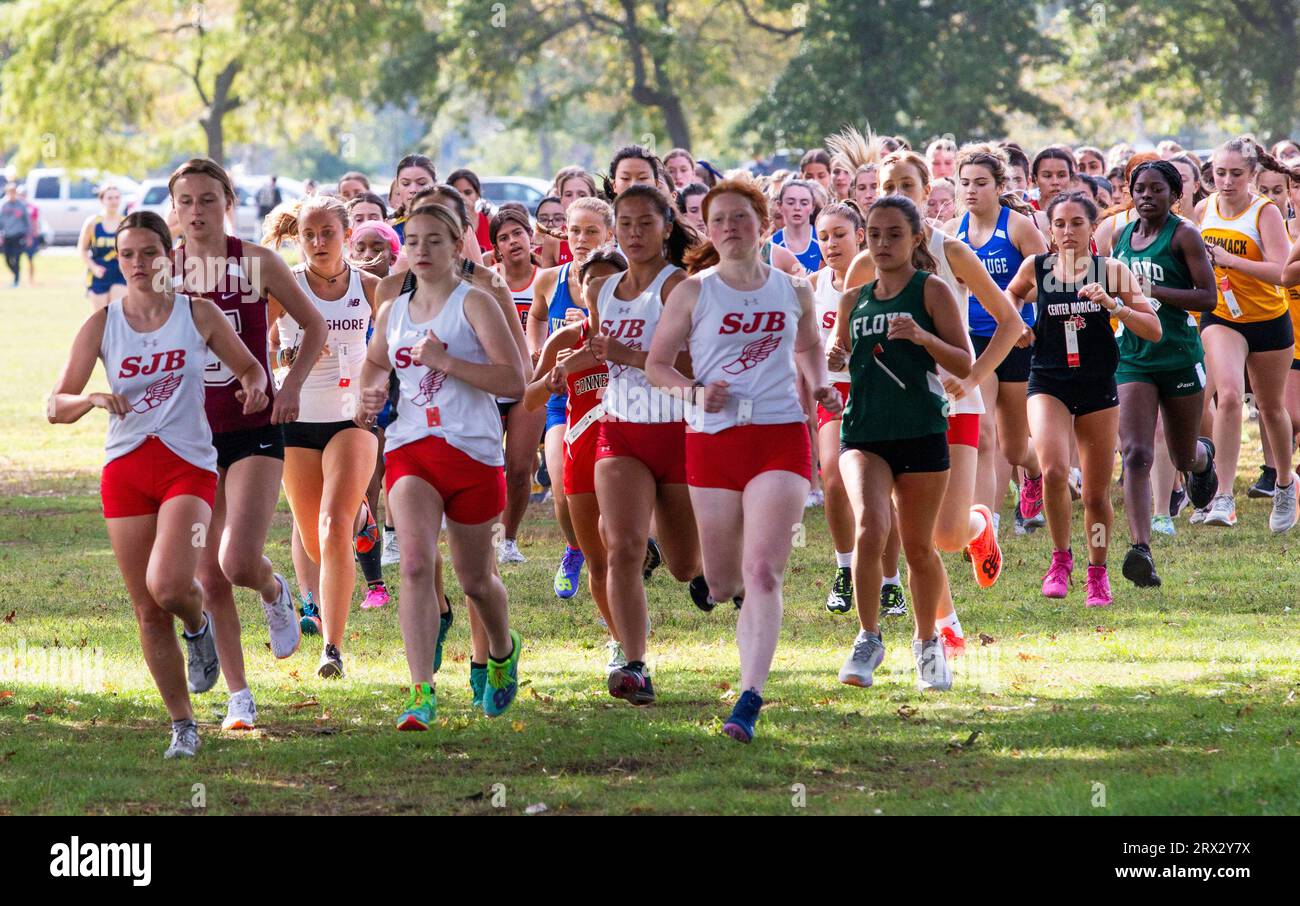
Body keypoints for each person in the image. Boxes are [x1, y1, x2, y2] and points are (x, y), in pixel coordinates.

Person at [48, 210, 270, 757]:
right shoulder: (103, 324)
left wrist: (255, 387)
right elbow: (56, 405)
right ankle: (184, 725)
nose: (140, 264)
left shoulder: (197, 314)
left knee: (170, 586)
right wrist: (92, 398)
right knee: (147, 609)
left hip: (188, 466)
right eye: (128, 255)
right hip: (125, 470)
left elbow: (251, 369)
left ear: (168, 255)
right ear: (117, 259)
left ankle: (198, 627)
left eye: (150, 253)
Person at [646, 178, 842, 743]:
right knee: (727, 577)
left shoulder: (794, 290)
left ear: (764, 223)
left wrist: (821, 387)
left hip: (779, 436)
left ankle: (749, 696)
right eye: (719, 220)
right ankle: (713, 583)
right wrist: (692, 391)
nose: (730, 228)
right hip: (712, 441)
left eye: (741, 217)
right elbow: (658, 364)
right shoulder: (693, 291)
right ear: (708, 231)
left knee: (762, 573)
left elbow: (807, 346)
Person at [356, 202, 525, 729]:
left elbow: (514, 381)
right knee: (412, 565)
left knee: (476, 581)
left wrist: (447, 362)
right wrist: (370, 392)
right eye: (414, 241)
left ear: (458, 247)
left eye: (435, 241)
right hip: (411, 447)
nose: (422, 251)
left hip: (472, 450)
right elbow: (376, 361)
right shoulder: (395, 310)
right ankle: (421, 692)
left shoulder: (475, 303)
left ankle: (501, 649)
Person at [169, 158, 324, 730]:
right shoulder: (167, 272)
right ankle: (240, 696)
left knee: (237, 561)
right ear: (175, 210)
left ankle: (275, 587)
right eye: (186, 202)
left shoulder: (255, 263)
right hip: (193, 439)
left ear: (227, 202)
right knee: (206, 575)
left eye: (208, 199)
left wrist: (291, 387)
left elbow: (314, 325)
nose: (197, 212)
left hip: (256, 430)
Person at [829, 194, 973, 694]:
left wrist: (922, 338)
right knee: (870, 527)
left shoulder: (931, 291)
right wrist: (833, 357)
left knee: (918, 547)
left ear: (916, 240)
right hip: (864, 433)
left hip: (922, 431)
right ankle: (868, 637)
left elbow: (963, 363)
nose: (883, 243)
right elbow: (840, 360)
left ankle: (926, 642)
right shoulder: (853, 299)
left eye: (895, 234)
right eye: (874, 234)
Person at [1006, 192, 1162, 606]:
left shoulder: (1110, 270)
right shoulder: (1036, 268)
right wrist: (1018, 324)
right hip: (1048, 382)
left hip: (1097, 387)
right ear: (1049, 230)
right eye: (1060, 224)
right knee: (1055, 471)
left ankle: (1097, 572)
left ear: (1092, 228)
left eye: (1077, 223)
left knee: (1095, 495)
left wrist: (1115, 307)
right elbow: (1012, 295)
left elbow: (1153, 328)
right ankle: (1060, 560)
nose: (1068, 231)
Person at [587, 186, 705, 705]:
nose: (634, 234)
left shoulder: (679, 285)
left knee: (683, 565)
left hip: (676, 430)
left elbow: (697, 369)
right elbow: (600, 353)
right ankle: (634, 664)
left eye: (645, 224)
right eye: (625, 224)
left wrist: (633, 356)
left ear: (665, 227)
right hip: (620, 431)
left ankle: (723, 576)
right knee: (624, 547)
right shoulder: (604, 288)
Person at [263, 195, 381, 677]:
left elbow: (392, 345)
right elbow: (256, 343)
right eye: (307, 235)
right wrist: (281, 369)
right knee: (316, 544)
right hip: (295, 421)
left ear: (346, 234)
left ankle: (332, 649)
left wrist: (379, 384)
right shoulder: (284, 286)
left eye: (327, 233)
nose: (317, 243)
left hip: (351, 422)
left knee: (335, 528)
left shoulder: (370, 286)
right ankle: (365, 516)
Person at [1110, 161, 1219, 586]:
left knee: (1181, 455)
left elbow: (1207, 297)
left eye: (1156, 189)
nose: (1146, 196)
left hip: (1178, 354)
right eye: (1139, 189)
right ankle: (1141, 548)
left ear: (1174, 196)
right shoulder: (1123, 235)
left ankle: (1204, 458)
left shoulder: (1184, 235)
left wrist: (1149, 290)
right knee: (1135, 452)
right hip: (1133, 356)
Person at [524, 248, 626, 673]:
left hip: (628, 449)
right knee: (597, 556)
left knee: (622, 546)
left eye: (611, 282)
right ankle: (619, 640)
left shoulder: (644, 334)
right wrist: (553, 379)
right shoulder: (565, 339)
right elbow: (529, 400)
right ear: (580, 289)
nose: (600, 290)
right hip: (581, 448)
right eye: (592, 282)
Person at [947, 146, 1048, 536]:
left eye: (981, 183)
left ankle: (1035, 470)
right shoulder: (953, 232)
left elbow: (1046, 282)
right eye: (965, 183)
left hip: (1018, 339)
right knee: (983, 433)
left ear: (999, 185)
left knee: (1012, 445)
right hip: (973, 341)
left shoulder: (1019, 227)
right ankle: (986, 525)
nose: (971, 191)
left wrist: (1016, 303)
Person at [1196, 137, 1295, 530]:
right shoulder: (1204, 209)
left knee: (1271, 409)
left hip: (1269, 318)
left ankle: (1286, 484)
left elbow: (1283, 272)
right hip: (1222, 316)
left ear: (1253, 175)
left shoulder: (1265, 212)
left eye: (1236, 174)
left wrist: (1230, 260)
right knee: (1231, 394)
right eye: (1220, 173)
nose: (1227, 181)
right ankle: (1223, 496)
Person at [528, 196, 614, 599]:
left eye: (591, 231)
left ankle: (620, 552)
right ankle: (575, 549)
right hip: (563, 398)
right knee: (562, 489)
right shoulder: (550, 278)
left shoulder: (619, 277)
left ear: (609, 234)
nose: (580, 239)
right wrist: (537, 349)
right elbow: (537, 314)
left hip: (611, 399)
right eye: (574, 230)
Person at [490, 205, 547, 564]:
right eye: (503, 238)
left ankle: (508, 540)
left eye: (517, 233)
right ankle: (486, 533)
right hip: (490, 381)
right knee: (486, 465)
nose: (512, 242)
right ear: (495, 248)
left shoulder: (546, 279)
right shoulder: (487, 280)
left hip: (532, 384)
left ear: (531, 237)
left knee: (519, 467)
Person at [78, 185, 128, 310]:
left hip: (119, 273)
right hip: (99, 274)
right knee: (101, 318)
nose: (114, 201)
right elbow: (82, 250)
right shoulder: (93, 223)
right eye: (110, 198)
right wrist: (94, 268)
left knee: (116, 314)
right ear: (102, 200)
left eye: (117, 197)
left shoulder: (126, 223)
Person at [771, 179, 823, 272]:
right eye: (790, 202)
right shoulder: (771, 245)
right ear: (779, 205)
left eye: (804, 203)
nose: (797, 208)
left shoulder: (824, 241)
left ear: (813, 207)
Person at [448, 168, 494, 254]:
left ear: (477, 195)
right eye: (457, 193)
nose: (462, 198)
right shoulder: (444, 223)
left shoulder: (488, 219)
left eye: (468, 193)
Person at [2, 183, 31, 288]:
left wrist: (29, 236)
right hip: (7, 236)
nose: (12, 194)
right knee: (7, 259)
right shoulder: (3, 205)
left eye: (14, 192)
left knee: (17, 258)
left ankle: (16, 280)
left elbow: (27, 221)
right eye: (10, 192)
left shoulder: (21, 205)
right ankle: (15, 274)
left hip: (19, 235)